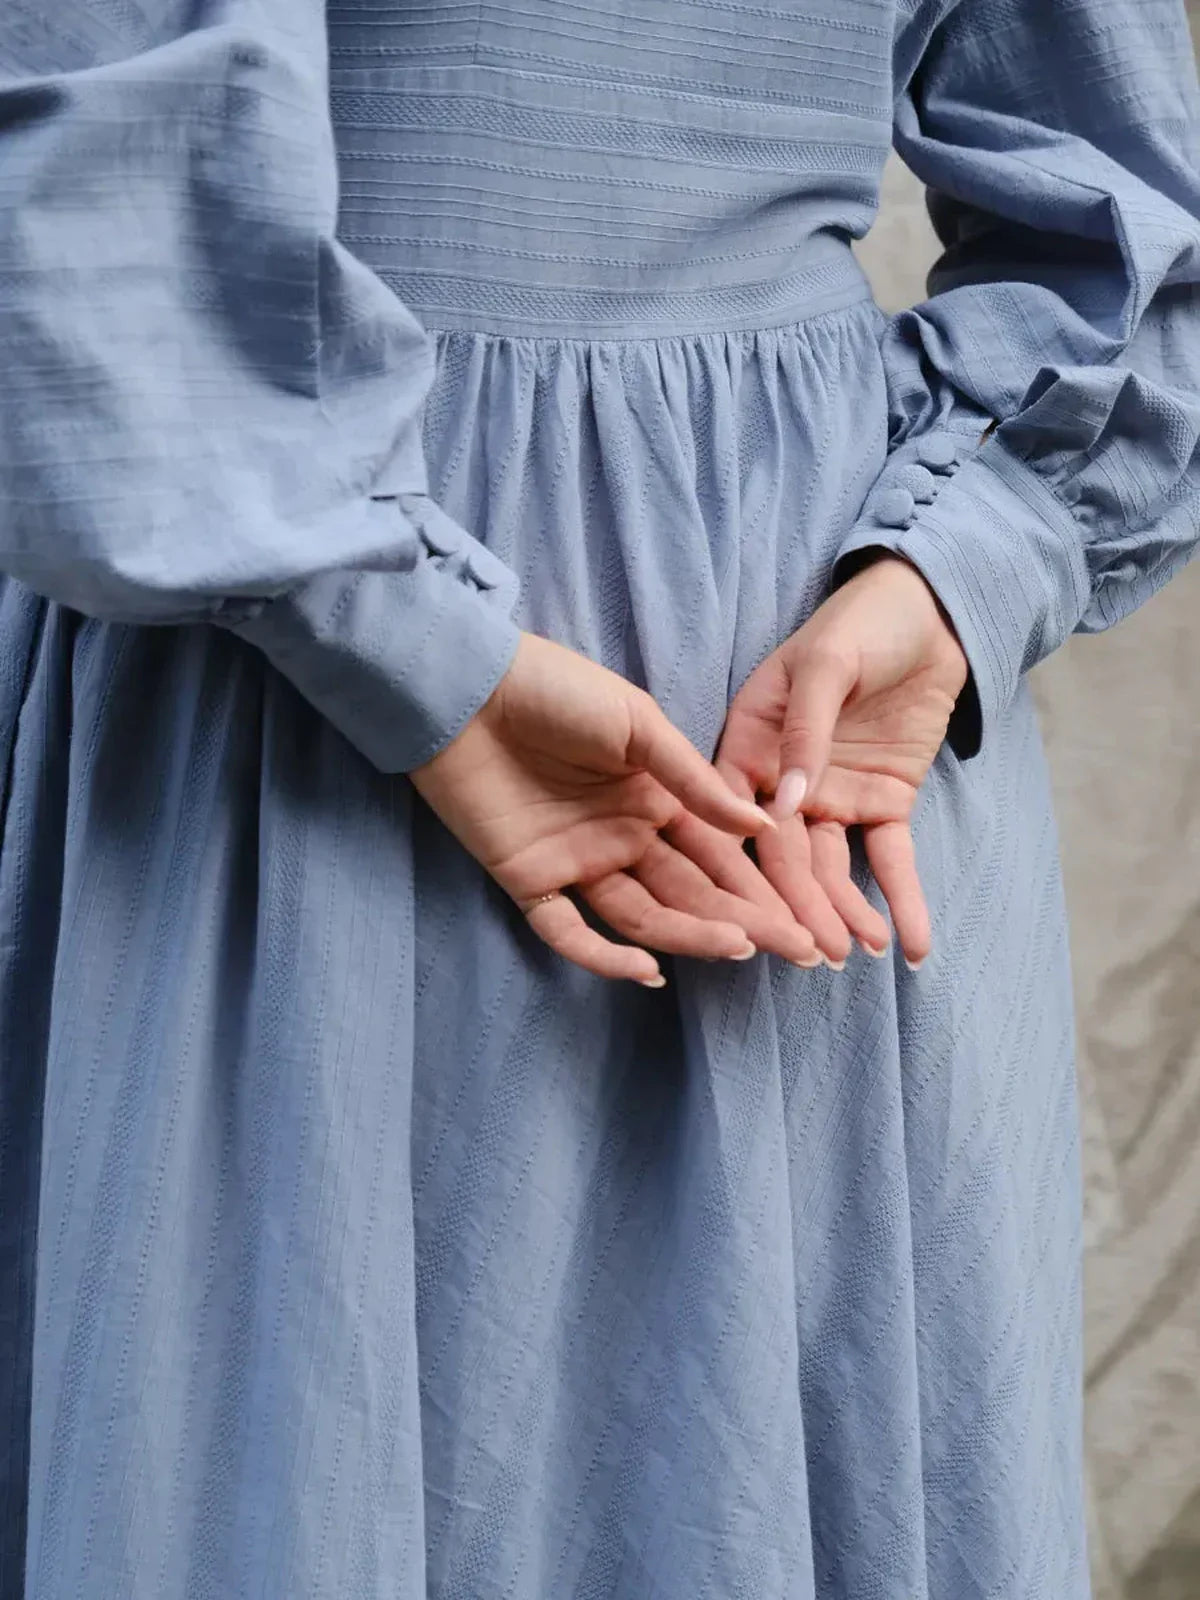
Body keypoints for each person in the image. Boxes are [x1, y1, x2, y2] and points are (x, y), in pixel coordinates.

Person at [1, 1, 1197, 1594]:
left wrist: (962, 560)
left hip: (805, 729)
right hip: (321, 672)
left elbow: (1125, 214)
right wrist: (391, 630)